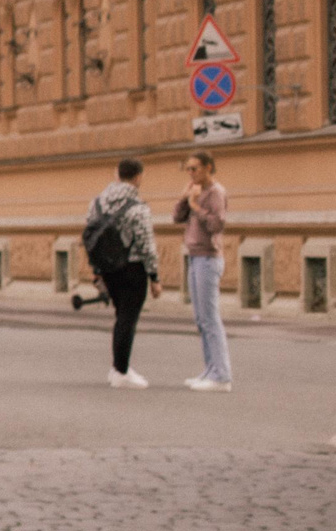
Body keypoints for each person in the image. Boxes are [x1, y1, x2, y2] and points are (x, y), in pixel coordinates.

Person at [85, 158, 161, 388]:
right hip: (132, 268)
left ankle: (118, 366)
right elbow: (147, 244)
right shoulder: (137, 207)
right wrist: (155, 277)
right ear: (138, 177)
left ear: (116, 174)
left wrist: (96, 269)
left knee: (121, 317)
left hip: (108, 268)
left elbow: (90, 236)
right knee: (128, 318)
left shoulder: (97, 203)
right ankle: (121, 371)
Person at [174, 152, 232, 391]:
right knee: (200, 318)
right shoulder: (195, 191)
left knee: (210, 318)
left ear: (208, 168)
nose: (191, 173)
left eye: (195, 168)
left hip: (209, 258)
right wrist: (184, 199)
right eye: (188, 169)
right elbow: (177, 218)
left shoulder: (216, 192)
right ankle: (210, 370)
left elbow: (217, 224)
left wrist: (196, 206)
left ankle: (221, 376)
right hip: (195, 257)